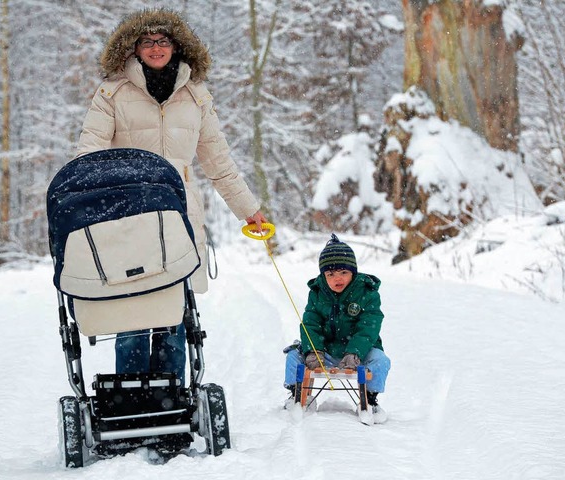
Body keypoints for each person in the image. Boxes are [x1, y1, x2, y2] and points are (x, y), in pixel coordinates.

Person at [76, 8, 268, 385]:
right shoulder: (111, 94)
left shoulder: (196, 97)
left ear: (178, 47)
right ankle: (131, 399)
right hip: (127, 217)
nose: (156, 47)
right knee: (132, 315)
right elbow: (89, 153)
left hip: (178, 218)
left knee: (174, 316)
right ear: (133, 49)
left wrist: (249, 210)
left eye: (163, 41)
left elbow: (219, 162)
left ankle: (172, 402)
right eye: (147, 41)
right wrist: (85, 201)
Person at [284, 234, 390, 423]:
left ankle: (371, 400)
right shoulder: (318, 293)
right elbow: (310, 323)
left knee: (380, 361)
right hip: (325, 352)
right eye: (330, 274)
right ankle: (297, 395)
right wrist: (314, 350)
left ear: (353, 272)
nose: (337, 278)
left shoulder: (367, 292)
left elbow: (369, 326)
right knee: (293, 357)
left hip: (358, 352)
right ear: (323, 275)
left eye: (343, 272)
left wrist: (355, 351)